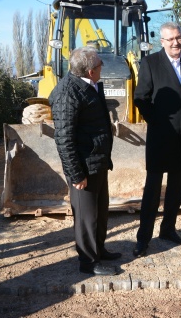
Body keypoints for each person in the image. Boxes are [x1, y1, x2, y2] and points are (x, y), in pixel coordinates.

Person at [132, 22, 181, 258]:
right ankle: (143, 238)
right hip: (160, 137)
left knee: (177, 187)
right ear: (162, 42)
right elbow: (141, 98)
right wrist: (158, 122)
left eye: (178, 37)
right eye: (170, 39)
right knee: (152, 189)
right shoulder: (150, 63)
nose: (175, 42)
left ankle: (168, 229)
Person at [49, 46, 120, 276]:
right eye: (100, 64)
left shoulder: (90, 86)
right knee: (86, 217)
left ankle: (98, 249)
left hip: (97, 162)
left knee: (100, 211)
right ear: (90, 71)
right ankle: (88, 262)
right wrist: (76, 173)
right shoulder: (67, 92)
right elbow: (64, 138)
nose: (103, 67)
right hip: (84, 167)